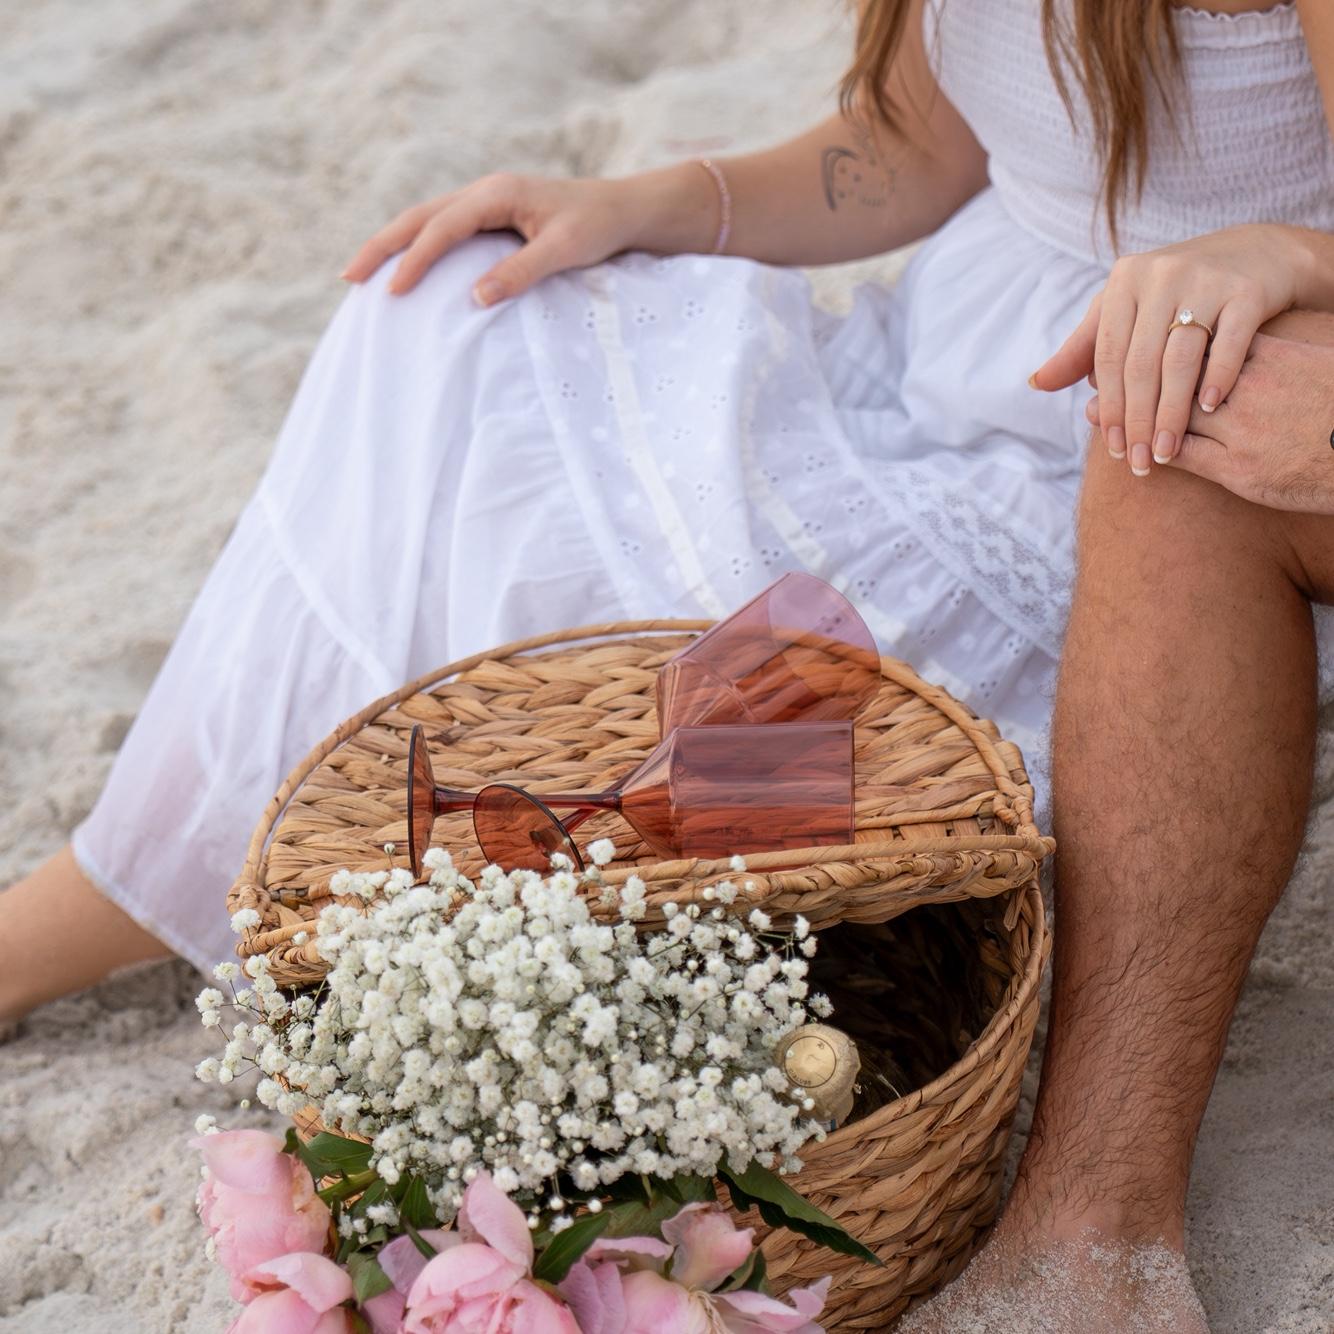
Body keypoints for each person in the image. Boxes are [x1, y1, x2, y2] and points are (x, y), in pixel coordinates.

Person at [2, 0, 1332, 1324]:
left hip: (1108, 450)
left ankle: (370, 909)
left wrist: (1280, 251)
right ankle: (154, 876)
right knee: (454, 302)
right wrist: (635, 203)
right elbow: (908, 149)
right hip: (927, 368)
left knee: (740, 694)